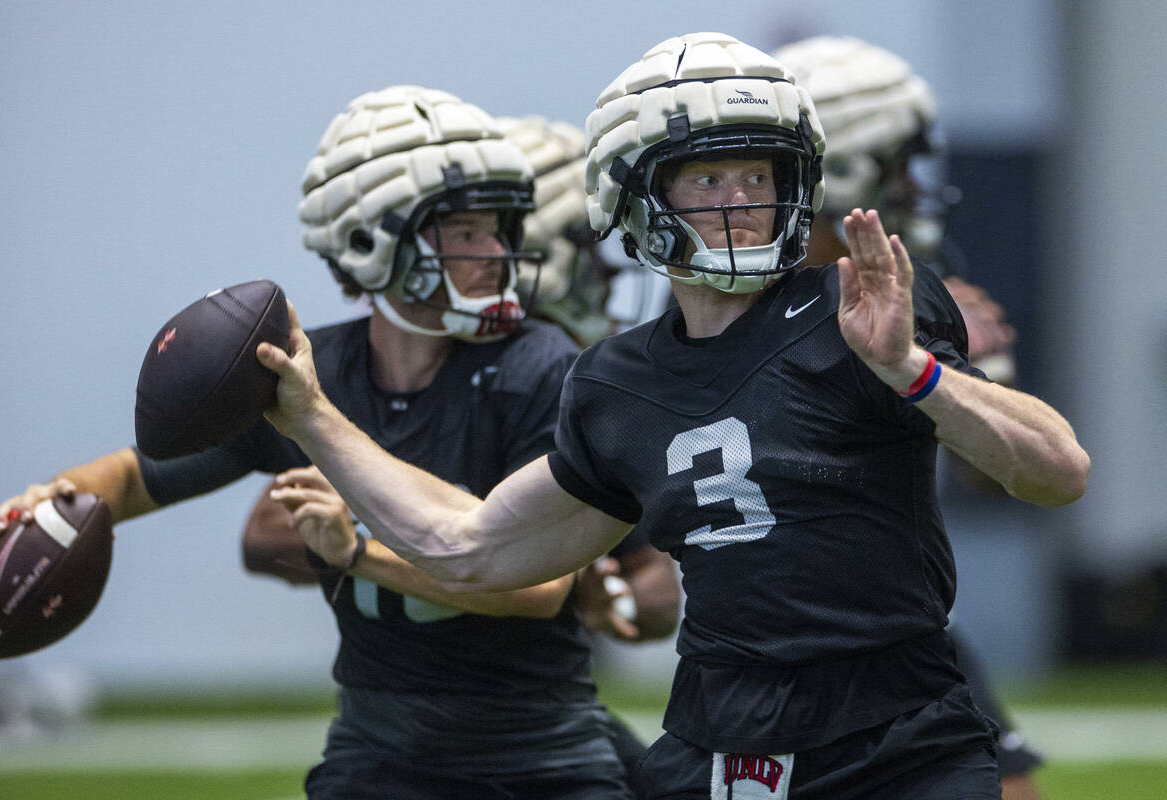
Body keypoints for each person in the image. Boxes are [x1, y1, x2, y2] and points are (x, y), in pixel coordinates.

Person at [257, 32, 1089, 799]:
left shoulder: (858, 309)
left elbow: (1057, 474)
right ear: (636, 193)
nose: (741, 200)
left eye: (759, 175)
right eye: (708, 177)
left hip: (902, 736)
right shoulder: (614, 383)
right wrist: (313, 417)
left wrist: (913, 370)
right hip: (724, 746)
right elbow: (470, 549)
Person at [0, 86, 633, 799]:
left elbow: (539, 586)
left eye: (501, 229)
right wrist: (61, 502)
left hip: (540, 756)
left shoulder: (536, 366)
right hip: (377, 752)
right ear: (372, 238)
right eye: (468, 231)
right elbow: (137, 477)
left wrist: (358, 551)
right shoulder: (304, 374)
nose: (497, 252)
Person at [771, 35, 1044, 800]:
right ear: (850, 161)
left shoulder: (914, 285)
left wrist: (974, 383)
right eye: (896, 161)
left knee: (1009, 787)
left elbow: (1001, 481)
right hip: (765, 635)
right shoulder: (725, 298)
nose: (913, 185)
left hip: (898, 620)